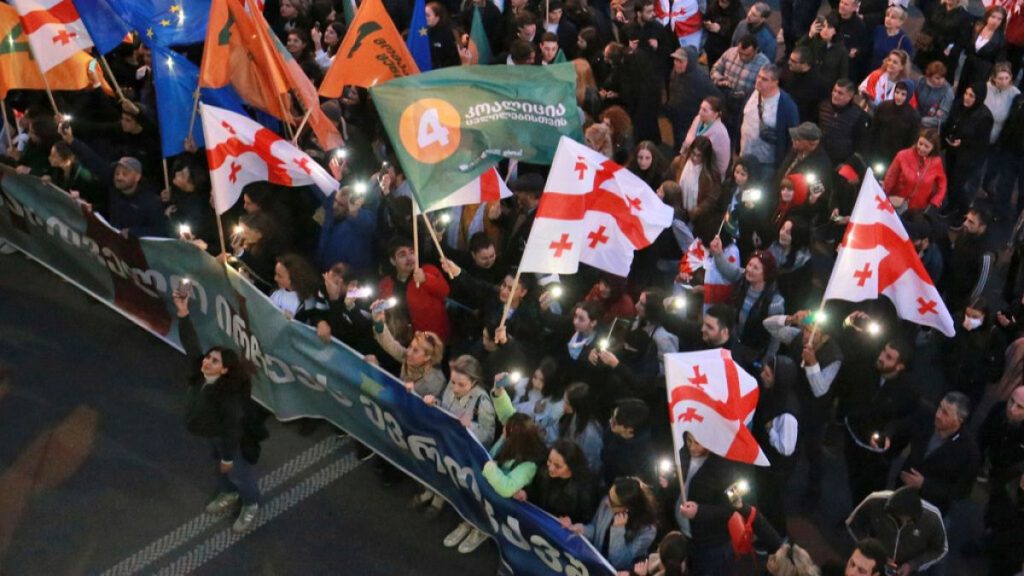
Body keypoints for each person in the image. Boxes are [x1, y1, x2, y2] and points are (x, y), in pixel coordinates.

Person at [172, 285, 261, 533]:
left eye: (214, 361)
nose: (206, 361)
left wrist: (228, 457)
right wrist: (183, 312)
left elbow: (232, 429)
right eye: (208, 357)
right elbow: (191, 345)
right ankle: (229, 493)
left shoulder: (227, 398)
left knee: (239, 473)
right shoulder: (201, 376)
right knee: (224, 472)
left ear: (224, 370)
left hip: (227, 441)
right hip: (211, 434)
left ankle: (251, 503)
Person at [444, 384, 547, 553]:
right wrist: (499, 392)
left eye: (507, 433)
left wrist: (488, 467)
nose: (503, 433)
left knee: (486, 513)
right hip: (485, 487)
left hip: (498, 502)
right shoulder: (513, 436)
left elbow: (506, 488)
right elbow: (507, 414)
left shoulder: (529, 464)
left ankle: (481, 530)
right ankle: (469, 522)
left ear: (516, 438)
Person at [415, 355, 497, 519]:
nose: (455, 388)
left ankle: (440, 500)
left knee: (448, 474)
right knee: (435, 467)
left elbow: (488, 437)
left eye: (461, 384)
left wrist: (471, 427)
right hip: (444, 439)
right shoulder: (450, 389)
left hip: (462, 451)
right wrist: (435, 404)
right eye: (453, 382)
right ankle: (430, 492)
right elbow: (444, 407)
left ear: (473, 382)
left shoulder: (483, 402)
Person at [562, 477, 659, 571]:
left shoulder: (648, 531)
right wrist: (583, 529)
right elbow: (595, 529)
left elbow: (620, 562)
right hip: (594, 562)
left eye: (612, 502)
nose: (606, 501)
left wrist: (618, 530)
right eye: (609, 494)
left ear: (627, 507)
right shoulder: (606, 502)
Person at [846, 486, 948, 574]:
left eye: (908, 522)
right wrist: (873, 552)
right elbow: (853, 525)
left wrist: (912, 565)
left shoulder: (932, 518)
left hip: (911, 570)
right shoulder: (875, 501)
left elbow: (940, 549)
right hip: (874, 565)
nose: (903, 524)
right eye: (898, 519)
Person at [943, 83, 994, 218]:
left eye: (971, 96)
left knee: (959, 185)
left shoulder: (985, 117)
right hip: (952, 152)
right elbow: (951, 122)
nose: (967, 98)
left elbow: (982, 143)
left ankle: (962, 212)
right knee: (950, 181)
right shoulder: (959, 105)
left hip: (968, 158)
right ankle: (951, 205)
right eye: (966, 94)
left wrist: (963, 142)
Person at [740, 64, 800, 178]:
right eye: (758, 76)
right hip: (745, 156)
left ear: (775, 82)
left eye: (764, 79)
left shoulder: (786, 105)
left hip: (766, 164)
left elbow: (792, 137)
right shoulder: (752, 93)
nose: (759, 81)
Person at [532, 440, 600, 523]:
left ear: (572, 466)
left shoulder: (585, 488)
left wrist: (572, 522)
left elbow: (586, 519)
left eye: (558, 466)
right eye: (549, 461)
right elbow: (534, 496)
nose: (550, 468)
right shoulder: (543, 473)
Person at [882, 129, 947, 214]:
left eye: (926, 146)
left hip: (917, 210)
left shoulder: (936, 162)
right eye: (920, 144)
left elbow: (942, 185)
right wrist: (884, 196)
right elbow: (890, 178)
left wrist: (934, 203)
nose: (922, 148)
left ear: (933, 148)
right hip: (896, 205)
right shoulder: (903, 155)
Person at [957, 6, 1009, 99]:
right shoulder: (977, 27)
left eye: (999, 19)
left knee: (974, 95)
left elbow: (999, 62)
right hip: (968, 65)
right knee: (961, 92)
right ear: (987, 16)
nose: (995, 21)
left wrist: (992, 77)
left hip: (983, 72)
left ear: (1002, 22)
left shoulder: (1002, 39)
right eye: (993, 17)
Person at [818, 79, 871, 165]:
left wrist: (850, 164)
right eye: (834, 91)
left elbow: (861, 144)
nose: (835, 95)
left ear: (850, 96)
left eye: (840, 93)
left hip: (842, 162)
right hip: (821, 158)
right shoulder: (823, 106)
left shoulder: (859, 116)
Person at [681, 96, 730, 180]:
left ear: (716, 114)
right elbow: (689, 137)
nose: (700, 112)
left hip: (707, 173)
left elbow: (721, 164)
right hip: (691, 162)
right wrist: (682, 156)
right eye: (700, 108)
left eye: (705, 110)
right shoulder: (698, 119)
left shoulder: (720, 133)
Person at [798, 14, 849, 90]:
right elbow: (798, 50)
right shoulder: (813, 39)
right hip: (808, 81)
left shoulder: (841, 50)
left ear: (835, 31)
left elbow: (843, 75)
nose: (825, 30)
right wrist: (810, 35)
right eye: (824, 26)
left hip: (826, 88)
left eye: (829, 27)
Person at [916, 62, 955, 129]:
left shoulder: (948, 92)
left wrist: (921, 120)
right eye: (937, 78)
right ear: (929, 77)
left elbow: (942, 118)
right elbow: (914, 99)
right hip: (915, 117)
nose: (941, 80)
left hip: (929, 126)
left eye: (943, 77)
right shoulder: (921, 81)